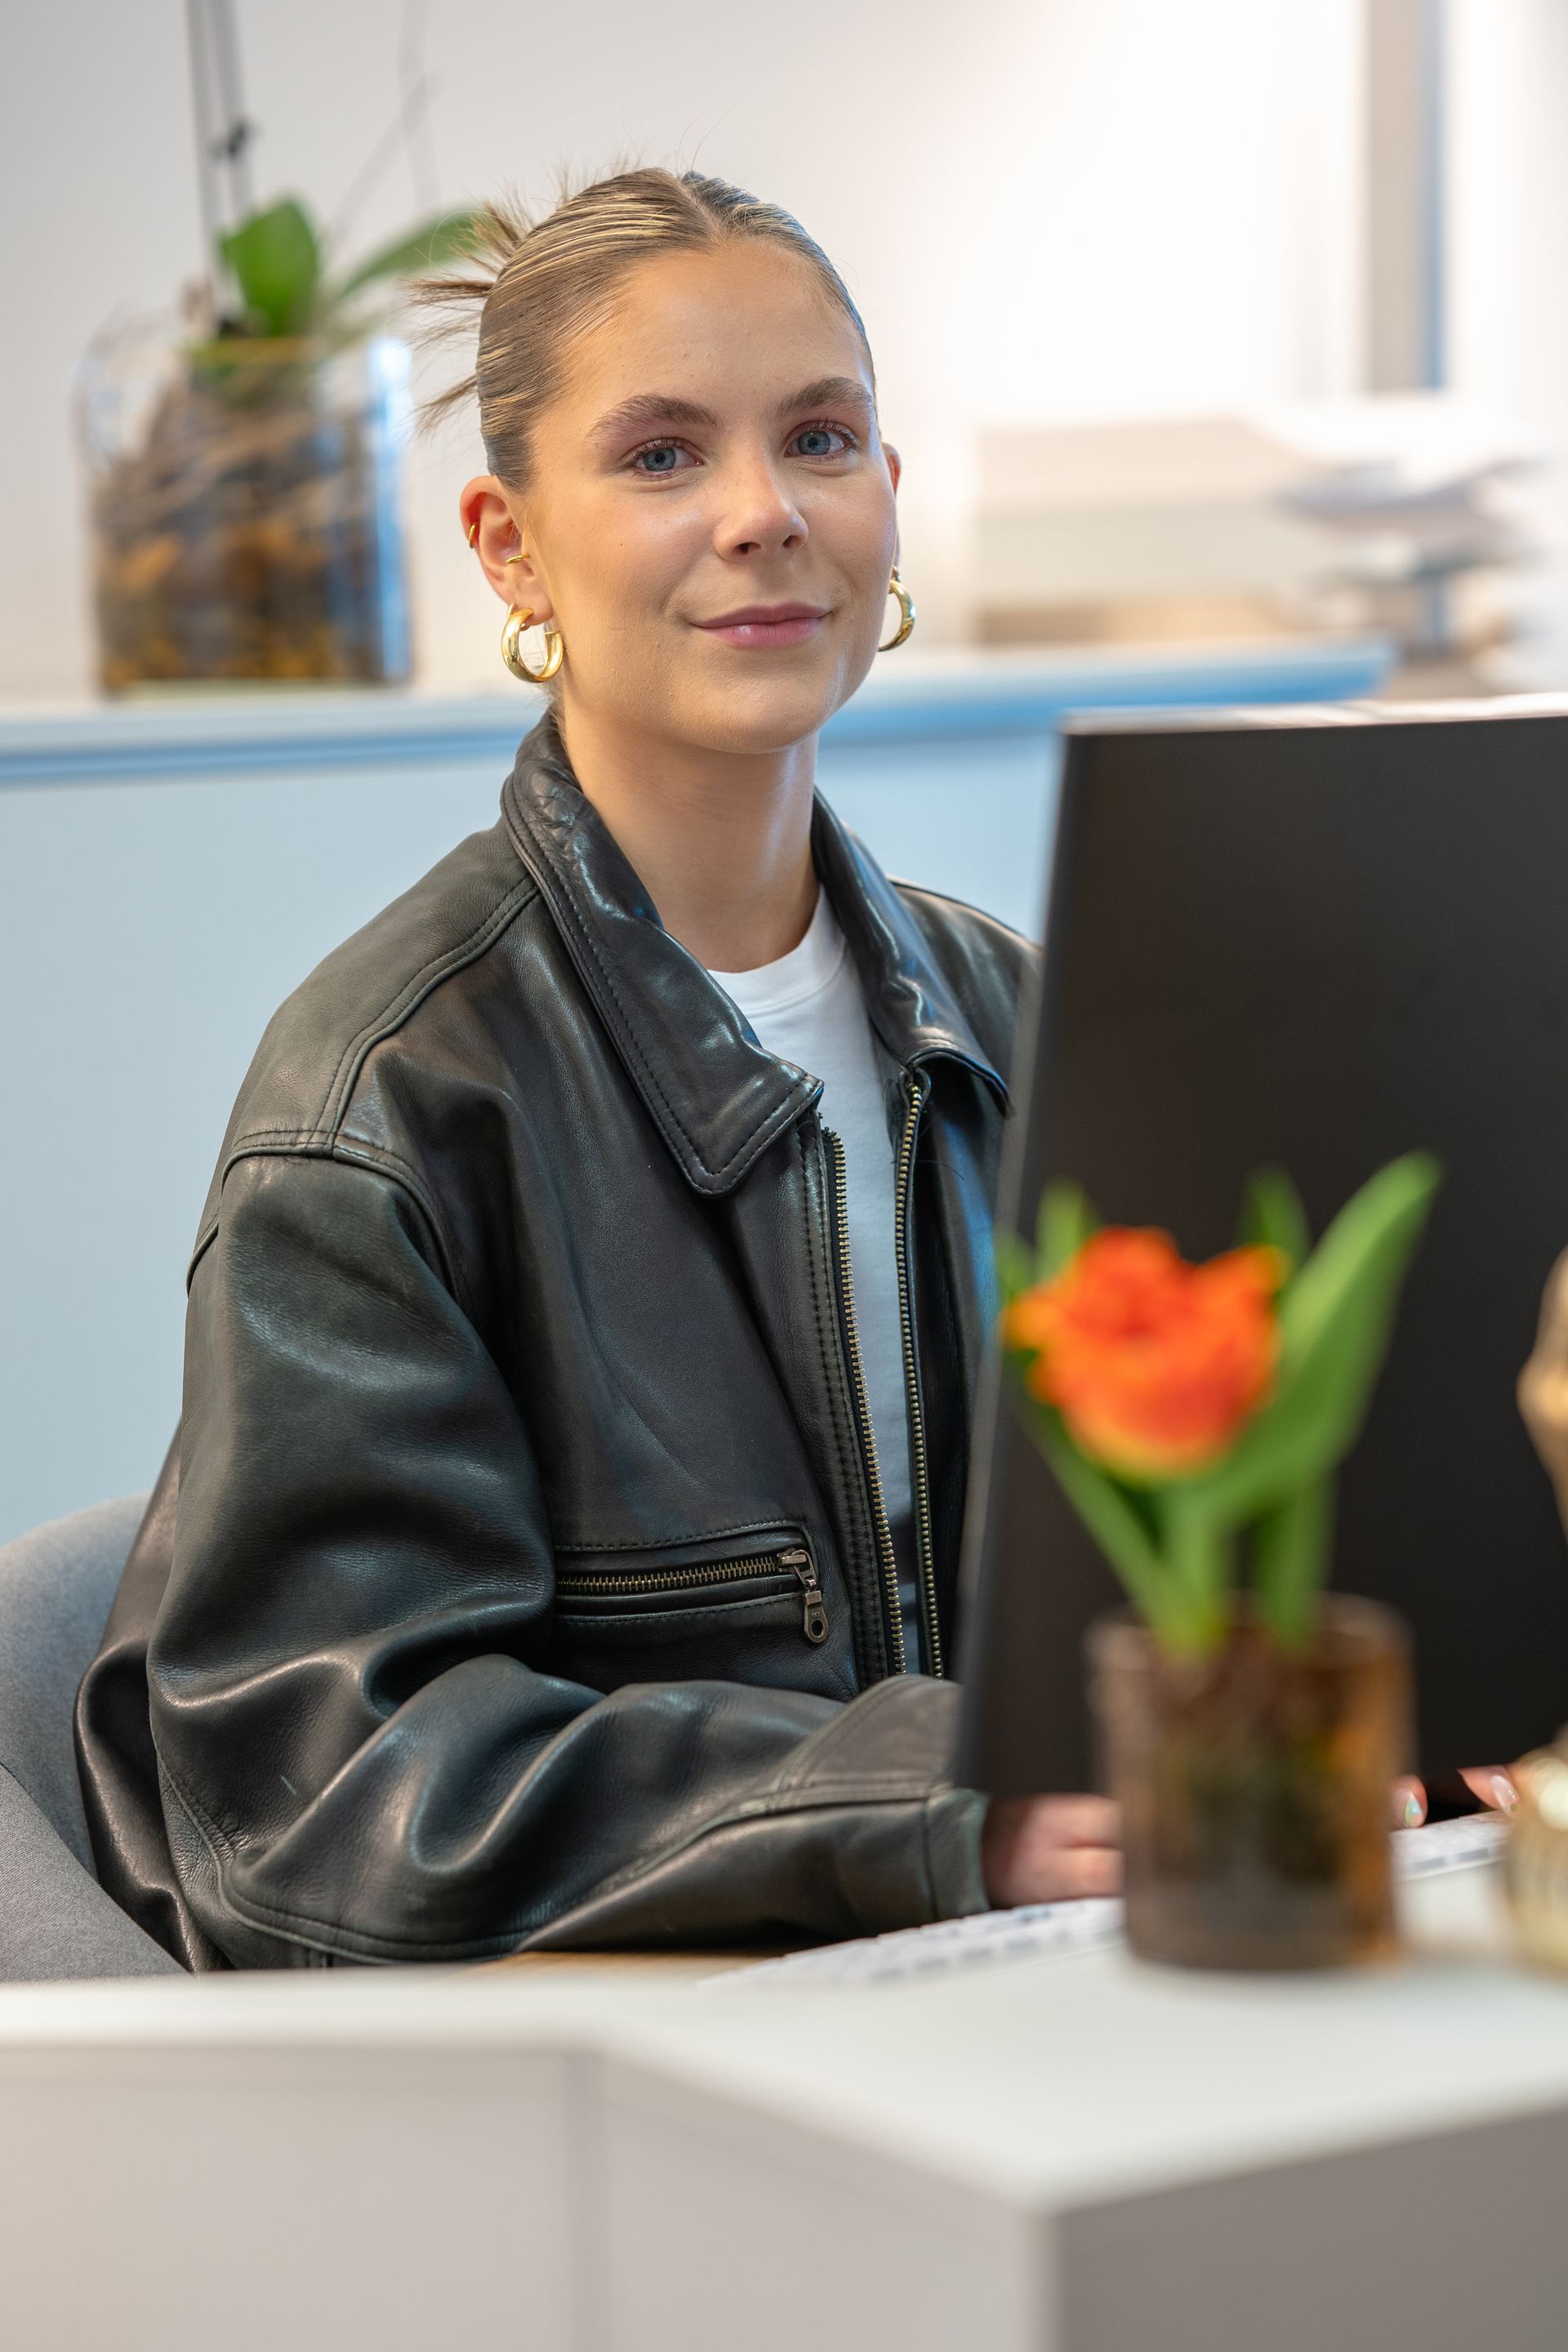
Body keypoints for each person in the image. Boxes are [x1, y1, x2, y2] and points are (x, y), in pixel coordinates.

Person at [74, 169, 1119, 1968]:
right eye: (659, 456)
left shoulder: (1030, 1018)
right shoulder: (382, 1103)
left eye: (820, 436)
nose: (764, 513)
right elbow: (334, 1792)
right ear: (507, 545)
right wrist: (944, 1812)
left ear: (890, 496)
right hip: (630, 2086)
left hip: (1016, 1992)